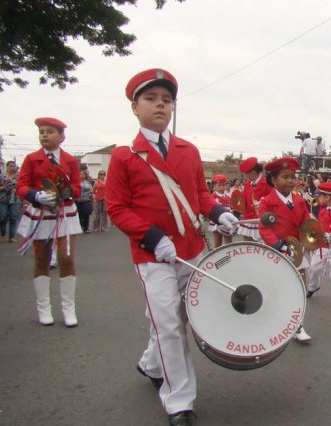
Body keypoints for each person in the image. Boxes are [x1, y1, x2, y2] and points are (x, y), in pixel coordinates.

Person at [105, 68, 238, 425]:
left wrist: (219, 213)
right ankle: (179, 401)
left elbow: (200, 195)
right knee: (168, 322)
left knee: (175, 318)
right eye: (150, 99)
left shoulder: (188, 150)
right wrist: (151, 237)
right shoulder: (124, 156)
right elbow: (116, 208)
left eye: (166, 100)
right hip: (153, 255)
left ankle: (150, 363)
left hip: (191, 249)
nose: (160, 105)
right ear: (134, 107)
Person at [16, 117, 82, 327]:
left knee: (67, 259)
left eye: (50, 131)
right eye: (41, 131)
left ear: (61, 137)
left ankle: (68, 309)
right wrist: (36, 195)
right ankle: (44, 308)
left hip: (65, 213)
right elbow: (21, 186)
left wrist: (67, 192)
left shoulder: (71, 160)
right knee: (41, 260)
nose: (44, 135)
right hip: (41, 214)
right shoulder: (31, 159)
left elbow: (78, 188)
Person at [258, 156, 312, 342]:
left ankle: (298, 326)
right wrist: (278, 245)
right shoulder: (266, 202)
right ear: (273, 180)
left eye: (293, 176)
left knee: (300, 288)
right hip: (276, 252)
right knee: (275, 290)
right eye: (285, 176)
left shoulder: (299, 201)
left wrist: (310, 238)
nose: (290, 180)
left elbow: (306, 222)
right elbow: (264, 228)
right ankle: (274, 323)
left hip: (296, 252)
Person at [238, 157, 270, 242]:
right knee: (247, 246)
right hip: (248, 218)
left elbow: (273, 199)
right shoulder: (247, 184)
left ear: (253, 172)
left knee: (262, 247)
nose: (246, 176)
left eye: (246, 174)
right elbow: (244, 201)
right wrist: (238, 205)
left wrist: (264, 201)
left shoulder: (267, 183)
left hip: (262, 219)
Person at [0, 160, 21, 242]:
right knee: (3, 217)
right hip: (3, 199)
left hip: (14, 198)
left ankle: (12, 236)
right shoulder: (1, 177)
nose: (12, 168)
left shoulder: (18, 177)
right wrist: (3, 187)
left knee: (14, 217)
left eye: (13, 166)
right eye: (10, 166)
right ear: (7, 167)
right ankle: (3, 233)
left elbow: (22, 187)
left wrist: (16, 190)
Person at [208, 174, 233, 248]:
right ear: (214, 187)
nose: (222, 187)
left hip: (226, 222)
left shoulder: (228, 197)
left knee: (229, 243)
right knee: (218, 243)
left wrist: (232, 210)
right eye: (219, 185)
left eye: (223, 185)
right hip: (216, 222)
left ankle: (230, 257)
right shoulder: (212, 197)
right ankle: (217, 258)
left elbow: (230, 207)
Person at [75, 169, 94, 233]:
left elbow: (91, 190)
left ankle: (86, 228)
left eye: (83, 174)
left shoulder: (88, 182)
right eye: (80, 174)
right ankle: (80, 227)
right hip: (77, 200)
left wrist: (90, 192)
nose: (81, 175)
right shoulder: (76, 182)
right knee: (79, 215)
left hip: (86, 200)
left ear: (85, 175)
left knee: (86, 213)